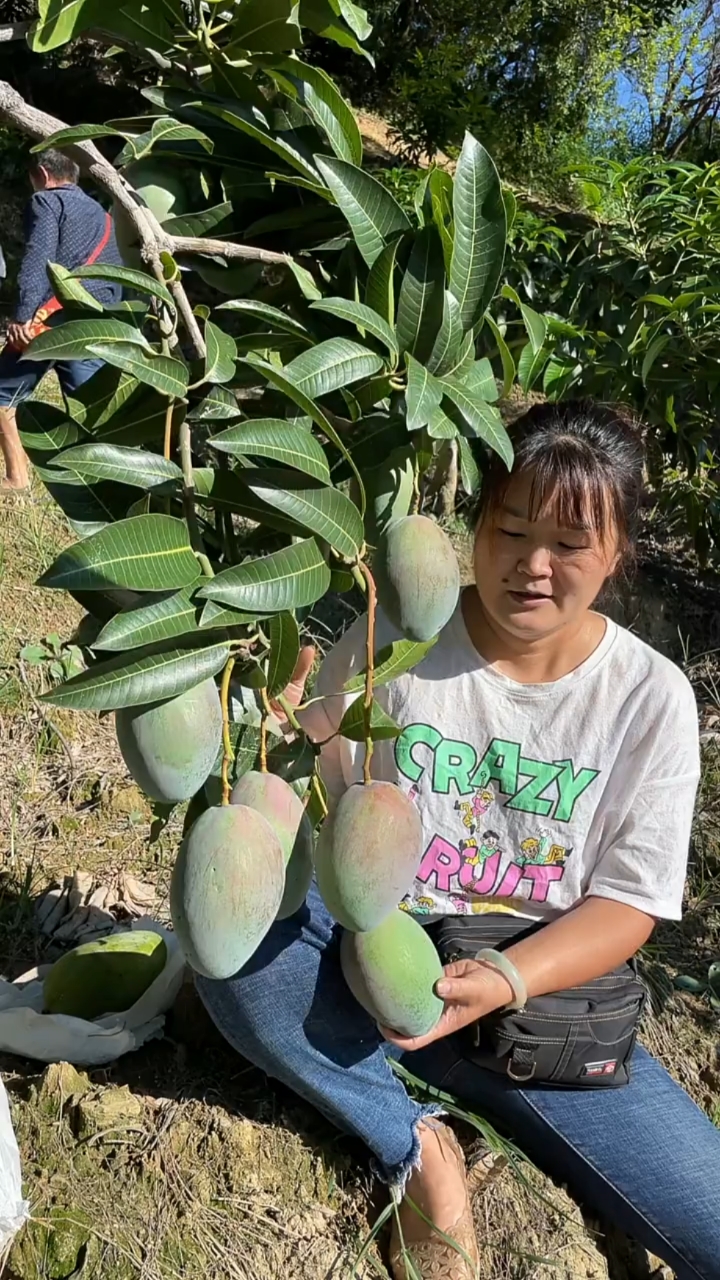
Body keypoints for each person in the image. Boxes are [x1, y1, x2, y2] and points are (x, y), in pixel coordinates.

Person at [197, 400, 719, 1280]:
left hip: (537, 996)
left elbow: (630, 903)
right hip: (374, 955)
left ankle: (467, 1085)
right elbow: (304, 777)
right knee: (235, 956)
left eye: (569, 545)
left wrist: (510, 978)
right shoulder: (398, 637)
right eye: (510, 529)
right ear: (472, 525)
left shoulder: (649, 697)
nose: (533, 566)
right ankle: (415, 1144)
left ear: (617, 554)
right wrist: (274, 711)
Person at [0, 148, 123, 491]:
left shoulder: (48, 203)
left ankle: (16, 477)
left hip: (48, 323)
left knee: (1, 394)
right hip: (93, 324)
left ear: (41, 173)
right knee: (93, 410)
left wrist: (22, 316)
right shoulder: (102, 214)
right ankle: (105, 486)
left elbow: (38, 259)